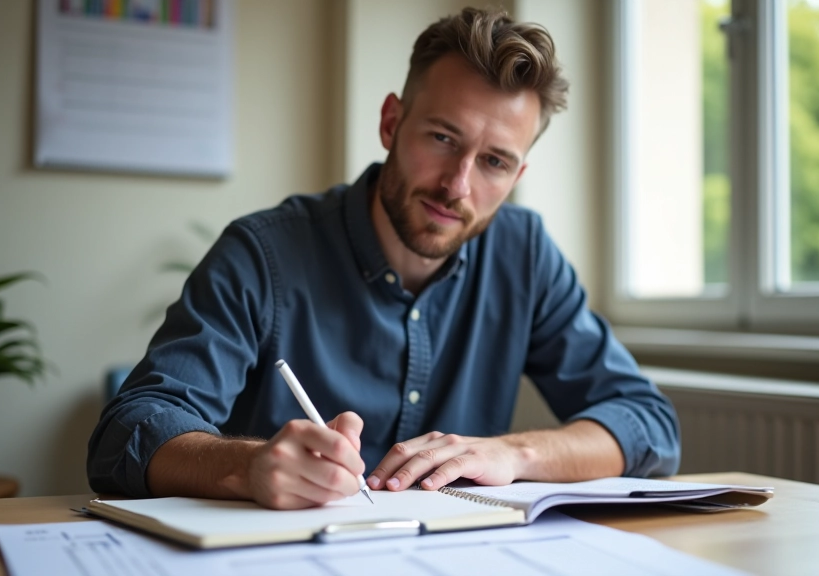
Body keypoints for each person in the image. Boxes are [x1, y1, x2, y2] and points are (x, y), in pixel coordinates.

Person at [87, 7, 680, 510]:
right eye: (443, 138)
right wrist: (247, 467)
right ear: (392, 121)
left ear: (517, 174)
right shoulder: (263, 253)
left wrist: (514, 453)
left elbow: (648, 423)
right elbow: (125, 434)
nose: (458, 185)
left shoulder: (524, 256)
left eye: (494, 162)